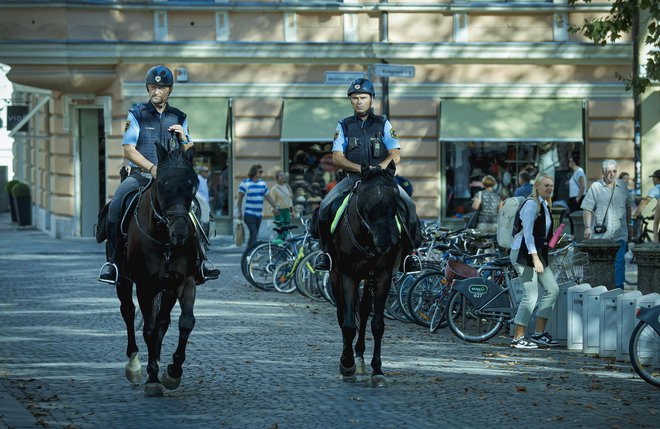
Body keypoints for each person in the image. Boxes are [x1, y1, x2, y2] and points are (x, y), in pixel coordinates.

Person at [99, 65, 220, 284]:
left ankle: (201, 261)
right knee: (116, 205)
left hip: (172, 181)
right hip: (140, 176)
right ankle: (113, 263)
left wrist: (184, 136)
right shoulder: (137, 113)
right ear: (148, 88)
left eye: (162, 87)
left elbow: (189, 152)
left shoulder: (179, 116)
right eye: (153, 87)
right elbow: (128, 148)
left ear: (169, 90)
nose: (157, 91)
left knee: (201, 208)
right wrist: (152, 169)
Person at [311, 78, 421, 273]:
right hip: (353, 179)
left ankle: (409, 256)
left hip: (382, 180)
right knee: (325, 206)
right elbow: (337, 158)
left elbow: (396, 153)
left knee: (409, 206)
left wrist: (380, 167)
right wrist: (360, 168)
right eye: (354, 98)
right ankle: (326, 254)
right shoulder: (343, 125)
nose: (359, 101)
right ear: (351, 101)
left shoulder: (383, 123)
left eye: (363, 97)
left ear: (371, 99)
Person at [510, 174, 560, 349]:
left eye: (551, 185)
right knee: (530, 295)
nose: (549, 188)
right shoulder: (532, 204)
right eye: (546, 185)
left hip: (536, 252)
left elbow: (540, 234)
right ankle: (518, 337)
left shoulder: (545, 205)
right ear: (537, 186)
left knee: (553, 289)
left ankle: (539, 333)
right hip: (524, 253)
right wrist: (536, 258)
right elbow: (528, 235)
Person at [581, 159, 633, 289]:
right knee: (602, 263)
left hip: (620, 232)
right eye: (608, 171)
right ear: (603, 172)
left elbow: (628, 207)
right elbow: (587, 208)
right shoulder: (596, 187)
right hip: (601, 235)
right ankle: (601, 288)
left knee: (619, 262)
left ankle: (618, 288)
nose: (612, 174)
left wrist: (630, 224)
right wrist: (587, 227)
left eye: (614, 171)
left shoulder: (622, 186)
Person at [236, 165, 280, 246]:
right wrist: (239, 212)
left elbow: (268, 197)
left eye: (262, 172)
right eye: (260, 171)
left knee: (254, 235)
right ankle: (252, 253)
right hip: (249, 213)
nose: (261, 173)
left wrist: (275, 207)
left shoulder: (262, 184)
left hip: (259, 214)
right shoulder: (245, 183)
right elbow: (239, 198)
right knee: (253, 233)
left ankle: (249, 253)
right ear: (254, 172)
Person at [632, 169, 660, 242]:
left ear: (656, 178)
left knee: (656, 230)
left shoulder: (656, 188)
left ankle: (656, 243)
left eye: (653, 178)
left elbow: (645, 202)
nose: (652, 180)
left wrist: (635, 215)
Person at [270, 170, 295, 243]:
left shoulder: (287, 186)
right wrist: (273, 210)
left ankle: (283, 245)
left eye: (283, 175)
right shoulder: (274, 188)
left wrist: (292, 211)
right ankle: (279, 245)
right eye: (281, 175)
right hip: (279, 212)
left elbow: (290, 200)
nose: (283, 177)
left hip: (287, 211)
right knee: (280, 229)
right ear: (277, 177)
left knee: (286, 229)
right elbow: (272, 201)